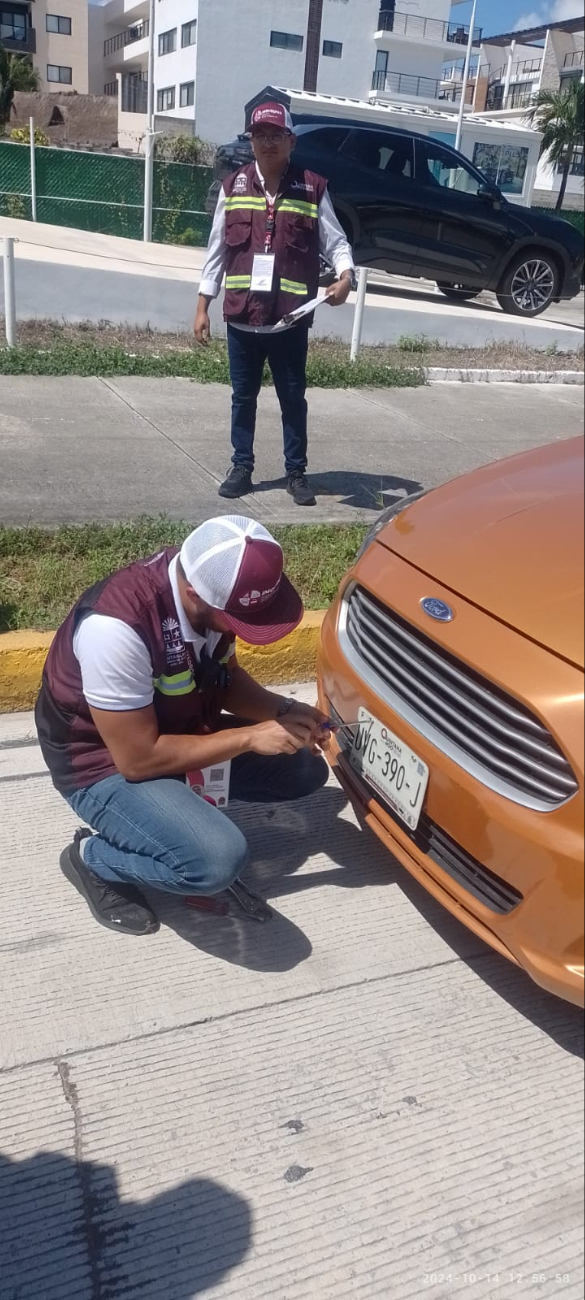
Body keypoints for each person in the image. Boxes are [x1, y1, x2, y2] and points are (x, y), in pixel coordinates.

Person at [35, 516, 330, 936]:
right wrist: (249, 736)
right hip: (102, 764)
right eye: (241, 620)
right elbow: (137, 760)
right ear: (195, 593)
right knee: (215, 863)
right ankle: (92, 859)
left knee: (303, 764)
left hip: (178, 728)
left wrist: (281, 710)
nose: (244, 630)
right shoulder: (115, 629)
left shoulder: (208, 584)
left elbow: (223, 677)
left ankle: (178, 817)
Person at [194, 101, 356, 508]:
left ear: (290, 141)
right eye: (259, 135)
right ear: (251, 140)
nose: (267, 142)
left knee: (292, 398)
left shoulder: (312, 187)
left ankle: (296, 472)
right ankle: (241, 466)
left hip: (289, 320)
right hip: (242, 319)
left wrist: (346, 277)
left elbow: (336, 242)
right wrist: (202, 306)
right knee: (242, 398)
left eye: (275, 135)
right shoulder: (233, 187)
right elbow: (216, 252)